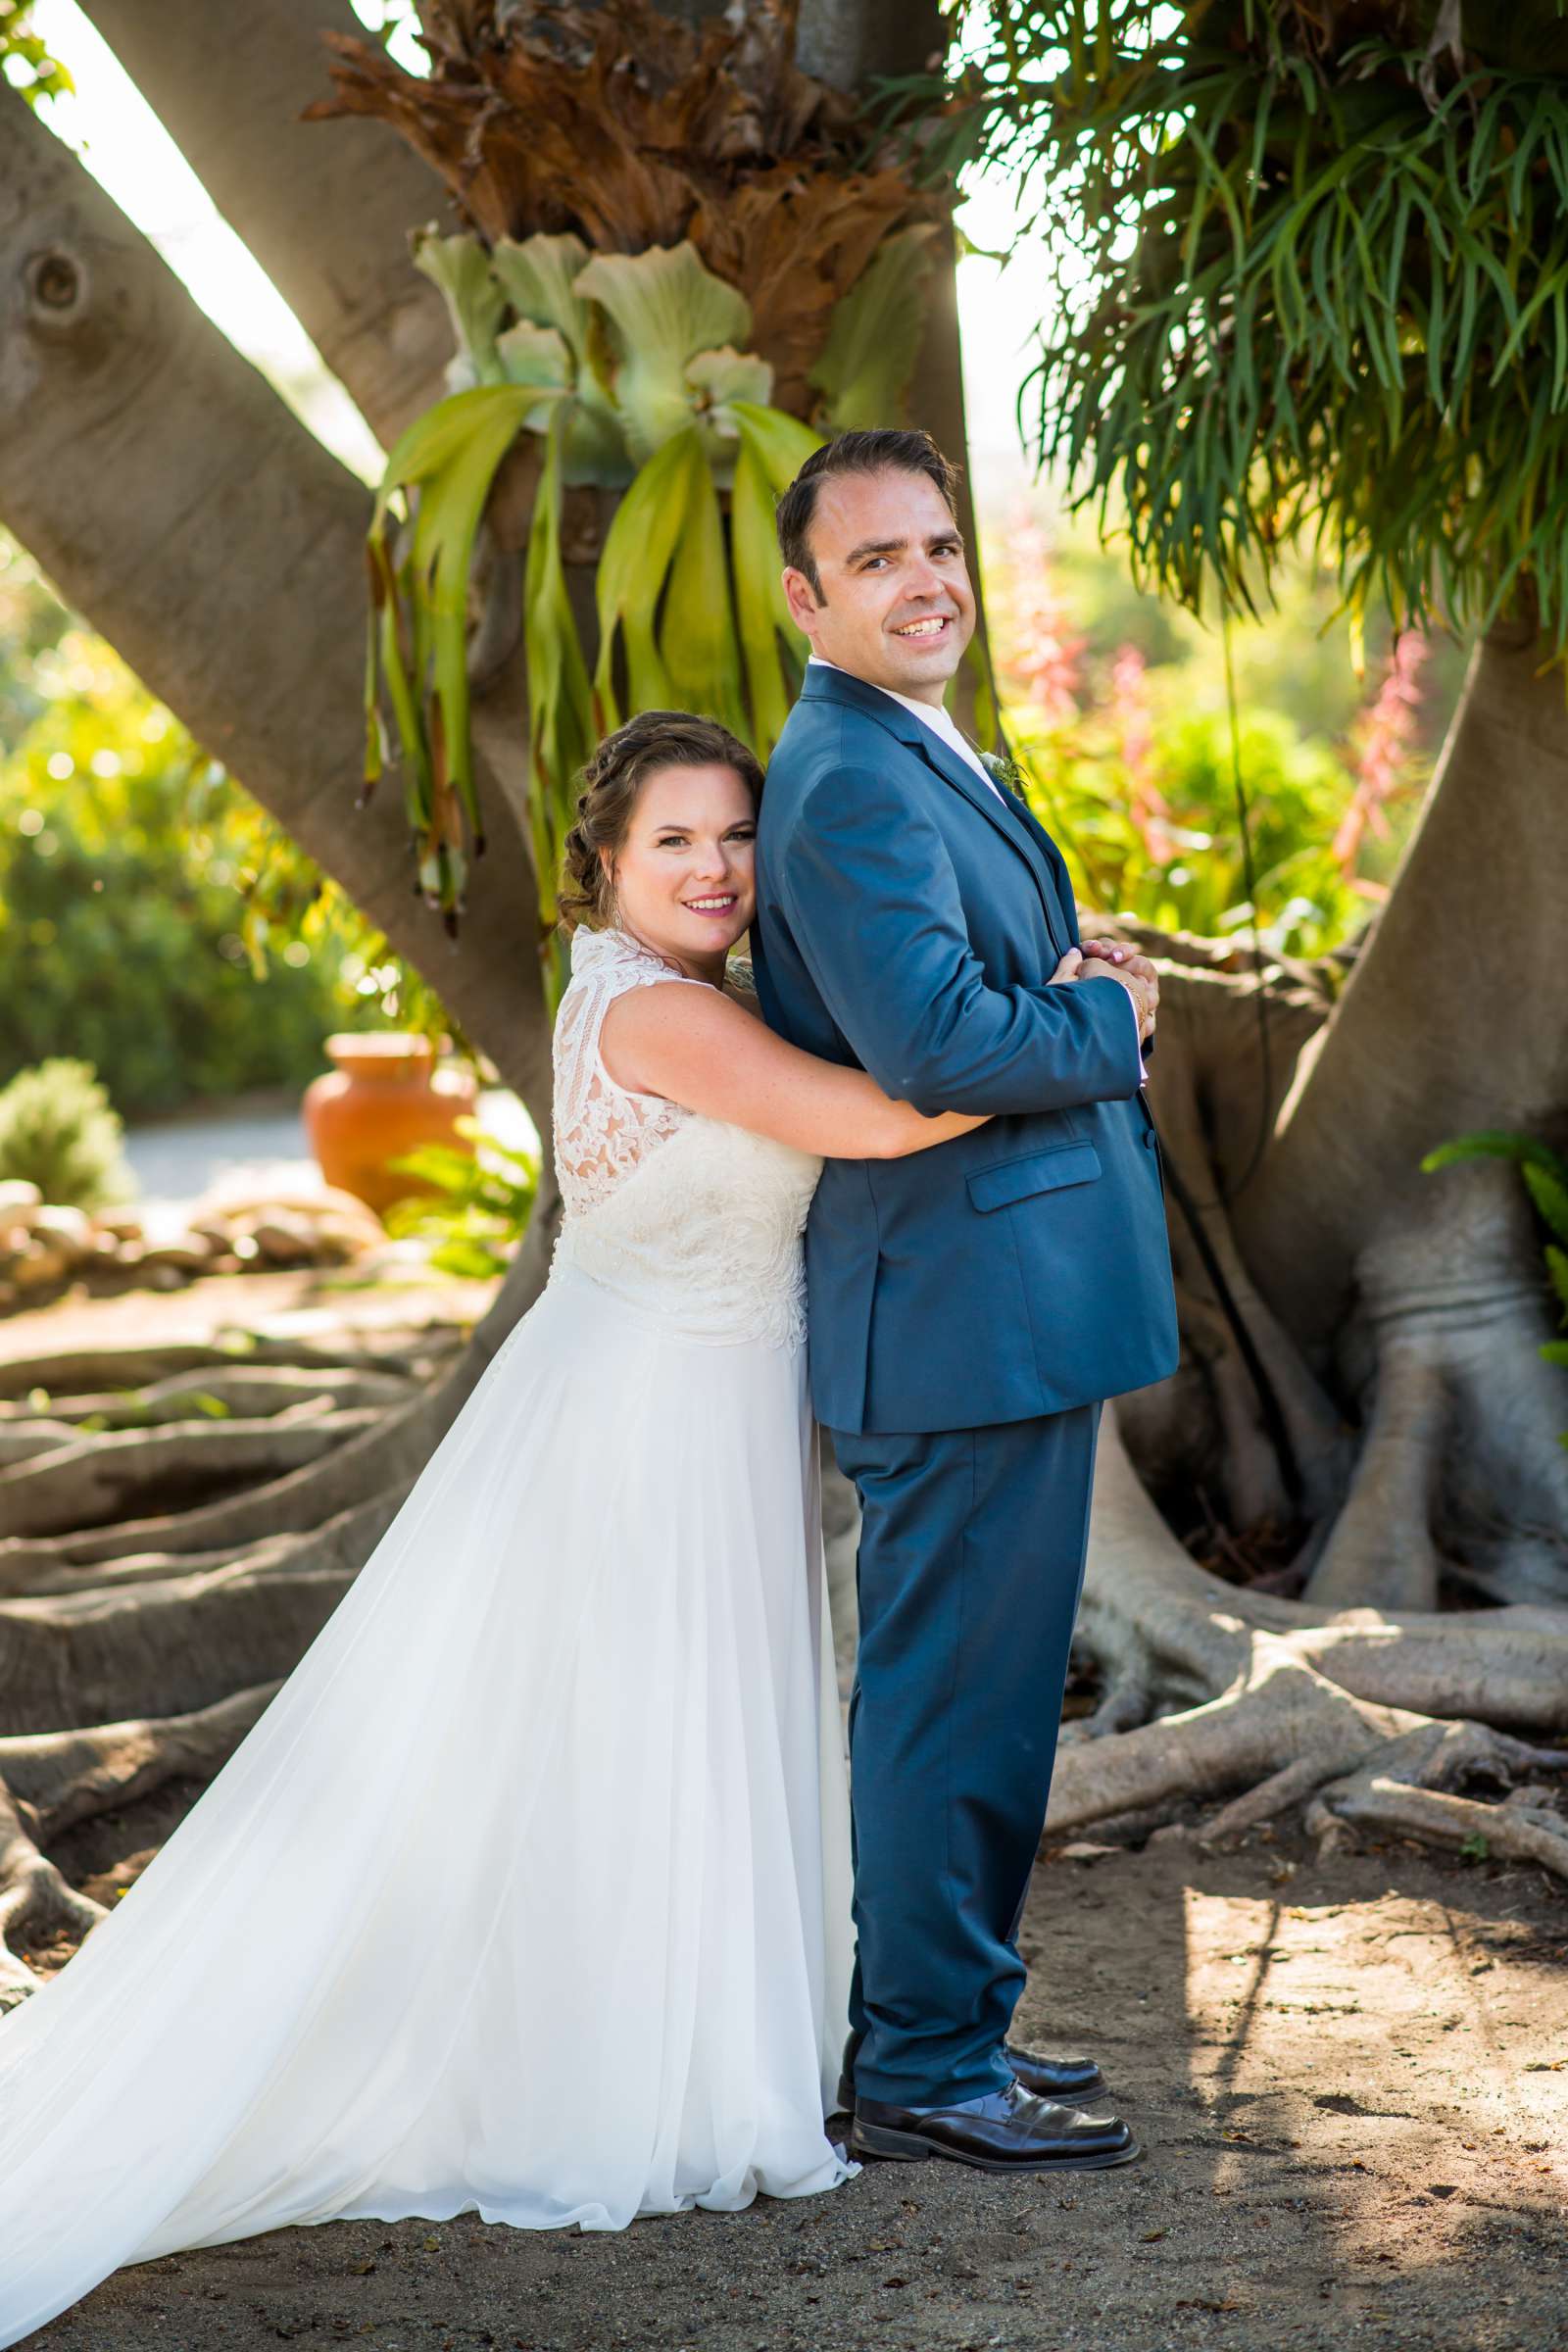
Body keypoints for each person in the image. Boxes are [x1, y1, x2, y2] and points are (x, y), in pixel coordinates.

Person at [0, 709, 1131, 2351]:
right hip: (646, 1427)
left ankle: (725, 2032)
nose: (718, 868)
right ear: (603, 865)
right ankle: (631, 2071)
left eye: (738, 837)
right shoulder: (664, 1018)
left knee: (648, 1744)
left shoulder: (680, 996)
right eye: (674, 842)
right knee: (635, 1743)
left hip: (698, 1403)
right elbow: (895, 1115)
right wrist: (1095, 1017)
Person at [752, 426, 1180, 2174]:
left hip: (1000, 1302)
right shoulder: (847, 775)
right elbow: (932, 1038)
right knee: (951, 1698)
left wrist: (1070, 991)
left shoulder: (914, 746)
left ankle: (958, 2023)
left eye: (940, 548)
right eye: (878, 561)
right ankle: (924, 2063)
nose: (927, 581)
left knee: (997, 1697)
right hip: (951, 1314)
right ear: (807, 598)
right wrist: (1111, 1022)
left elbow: (974, 997)